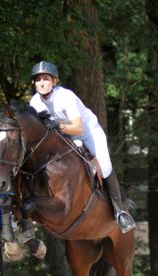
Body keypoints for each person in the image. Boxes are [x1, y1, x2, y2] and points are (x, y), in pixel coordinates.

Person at [29, 60, 136, 233]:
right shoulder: (34, 102)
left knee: (105, 166)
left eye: (46, 79)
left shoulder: (65, 96)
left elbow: (78, 128)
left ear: (54, 81)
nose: (41, 83)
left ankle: (120, 211)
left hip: (88, 133)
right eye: (38, 79)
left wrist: (56, 125)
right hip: (63, 136)